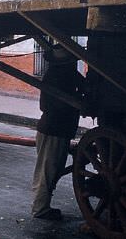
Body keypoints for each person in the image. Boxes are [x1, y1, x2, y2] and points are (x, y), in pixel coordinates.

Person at [31, 44, 84, 221]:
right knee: (48, 170)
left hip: (56, 129)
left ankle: (42, 206)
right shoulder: (57, 76)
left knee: (50, 169)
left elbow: (83, 84)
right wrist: (75, 103)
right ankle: (40, 208)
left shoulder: (65, 74)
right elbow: (46, 105)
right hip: (54, 129)